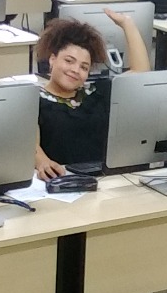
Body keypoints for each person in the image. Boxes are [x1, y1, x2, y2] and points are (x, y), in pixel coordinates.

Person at [34, 11, 150, 178]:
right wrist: (43, 162)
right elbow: (31, 143)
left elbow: (140, 73)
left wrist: (127, 24)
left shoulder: (97, 92)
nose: (75, 70)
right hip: (61, 179)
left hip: (104, 179)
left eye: (84, 67)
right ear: (53, 59)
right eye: (69, 61)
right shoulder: (35, 100)